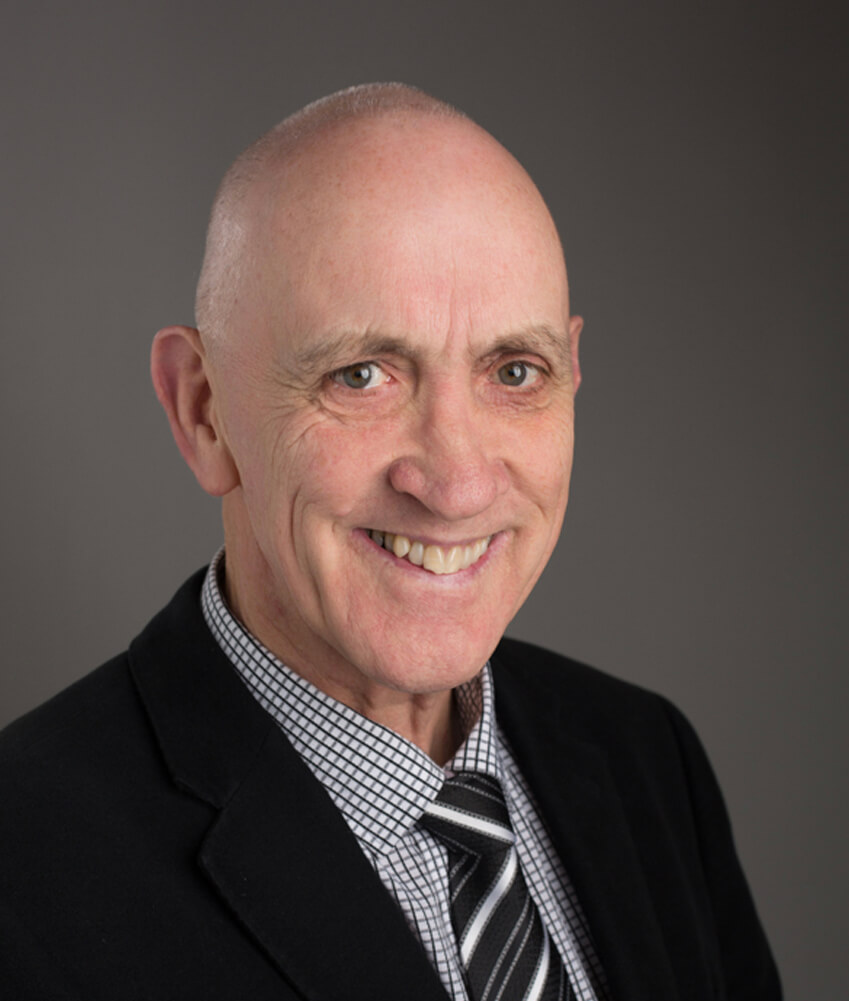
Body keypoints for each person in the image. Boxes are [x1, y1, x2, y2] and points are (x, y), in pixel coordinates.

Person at [0, 84, 780, 1000]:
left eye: (514, 371)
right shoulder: (25, 869)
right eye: (361, 375)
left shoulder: (646, 760)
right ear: (203, 411)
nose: (455, 483)